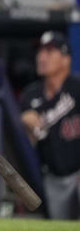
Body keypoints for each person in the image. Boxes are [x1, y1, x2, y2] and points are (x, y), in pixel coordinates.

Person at [20, 31, 80, 219]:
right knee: (60, 229)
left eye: (49, 51)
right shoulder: (30, 96)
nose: (42, 57)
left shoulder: (77, 88)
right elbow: (25, 145)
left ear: (65, 59)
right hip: (52, 175)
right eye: (40, 52)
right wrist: (23, 121)